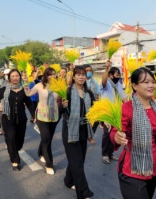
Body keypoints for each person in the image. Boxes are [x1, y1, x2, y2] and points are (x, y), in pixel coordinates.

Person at [110, 67, 156, 199]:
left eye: (152, 82)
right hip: (131, 170)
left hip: (153, 169)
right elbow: (115, 132)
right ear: (134, 86)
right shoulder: (126, 108)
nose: (151, 85)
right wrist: (117, 137)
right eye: (145, 82)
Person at [0, 69, 34, 171]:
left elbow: (29, 103)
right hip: (7, 119)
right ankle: (15, 161)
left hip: (21, 120)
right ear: (9, 78)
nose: (15, 78)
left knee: (19, 141)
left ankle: (14, 149)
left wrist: (34, 116)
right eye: (12, 76)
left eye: (17, 76)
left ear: (20, 77)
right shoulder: (4, 90)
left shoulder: (24, 90)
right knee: (11, 138)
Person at [60, 66, 95, 199]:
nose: (81, 77)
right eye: (78, 74)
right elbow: (58, 112)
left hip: (83, 130)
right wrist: (62, 107)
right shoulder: (67, 92)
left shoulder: (89, 93)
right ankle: (84, 193)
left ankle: (69, 180)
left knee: (78, 161)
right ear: (73, 77)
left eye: (83, 74)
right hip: (70, 131)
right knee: (77, 163)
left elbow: (93, 112)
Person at [23, 67, 59, 175]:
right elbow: (28, 94)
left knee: (48, 139)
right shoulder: (39, 85)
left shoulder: (58, 86)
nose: (52, 76)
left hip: (54, 116)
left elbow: (63, 97)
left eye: (54, 74)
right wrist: (25, 82)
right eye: (50, 74)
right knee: (46, 137)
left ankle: (41, 152)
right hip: (41, 116)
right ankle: (49, 164)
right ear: (45, 76)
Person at [100, 60, 127, 164]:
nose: (119, 76)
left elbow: (124, 98)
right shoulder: (106, 84)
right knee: (107, 133)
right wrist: (107, 68)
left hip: (116, 113)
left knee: (113, 133)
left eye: (119, 75)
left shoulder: (118, 85)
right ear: (111, 75)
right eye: (117, 74)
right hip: (106, 113)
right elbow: (103, 80)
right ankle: (104, 154)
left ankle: (110, 153)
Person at [83, 64, 101, 139]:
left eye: (90, 70)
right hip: (83, 105)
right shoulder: (81, 80)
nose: (89, 72)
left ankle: (89, 134)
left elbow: (98, 93)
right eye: (87, 71)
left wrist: (98, 104)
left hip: (92, 105)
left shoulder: (94, 81)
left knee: (96, 121)